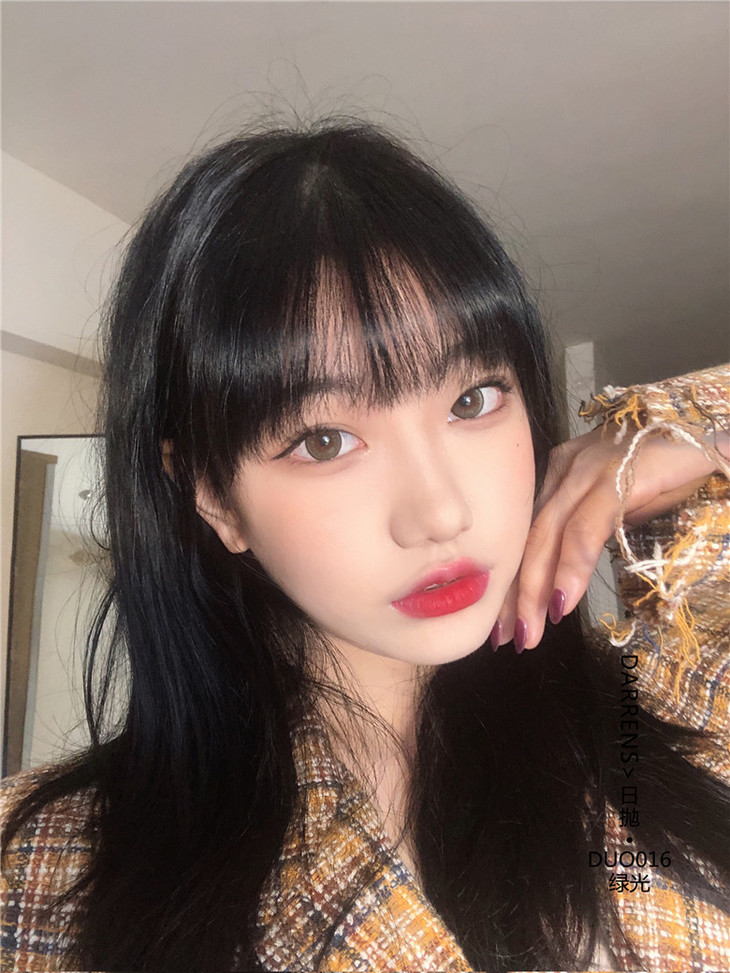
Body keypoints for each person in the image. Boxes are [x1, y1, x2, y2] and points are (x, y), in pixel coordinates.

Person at [2, 121, 729, 973]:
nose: (440, 511)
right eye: (324, 441)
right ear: (213, 494)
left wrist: (690, 430)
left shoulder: (670, 713)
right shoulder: (44, 868)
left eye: (472, 399)